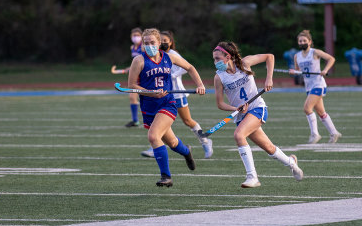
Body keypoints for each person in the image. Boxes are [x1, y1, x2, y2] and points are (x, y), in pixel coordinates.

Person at [212, 41, 303, 188]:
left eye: (217, 58)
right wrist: (235, 107)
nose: (215, 62)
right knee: (269, 147)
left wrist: (269, 78)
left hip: (257, 108)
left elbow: (270, 57)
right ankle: (291, 163)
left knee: (239, 135)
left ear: (227, 56)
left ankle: (252, 177)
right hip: (242, 116)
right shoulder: (219, 77)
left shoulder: (245, 63)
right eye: (214, 59)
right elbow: (220, 104)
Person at [128, 28, 205, 187]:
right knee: (172, 142)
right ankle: (187, 152)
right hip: (149, 107)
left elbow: (190, 68)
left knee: (153, 136)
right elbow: (132, 86)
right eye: (146, 43)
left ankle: (166, 176)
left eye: (152, 42)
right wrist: (150, 92)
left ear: (158, 43)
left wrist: (200, 85)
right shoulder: (139, 61)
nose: (149, 45)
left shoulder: (169, 57)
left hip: (167, 104)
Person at [140, 31, 213, 159]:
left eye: (165, 40)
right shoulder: (152, 56)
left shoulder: (172, 55)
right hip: (161, 96)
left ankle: (205, 141)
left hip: (176, 93)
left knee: (188, 121)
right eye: (160, 40)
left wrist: (173, 75)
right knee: (160, 123)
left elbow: (187, 67)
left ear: (170, 42)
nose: (162, 43)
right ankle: (156, 145)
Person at [290, 30, 342, 144]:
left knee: (307, 108)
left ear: (309, 41)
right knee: (321, 113)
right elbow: (299, 72)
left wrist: (325, 70)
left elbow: (331, 59)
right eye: (300, 41)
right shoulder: (296, 56)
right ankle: (334, 133)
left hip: (318, 84)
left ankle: (315, 134)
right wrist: (294, 72)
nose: (302, 42)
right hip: (308, 87)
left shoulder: (315, 52)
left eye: (304, 40)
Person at [125, 28, 143, 127]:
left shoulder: (144, 46)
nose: (135, 37)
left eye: (137, 35)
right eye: (133, 35)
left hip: (143, 75)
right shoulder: (132, 47)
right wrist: (130, 68)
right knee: (132, 97)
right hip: (135, 75)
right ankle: (135, 121)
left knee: (146, 97)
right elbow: (135, 61)